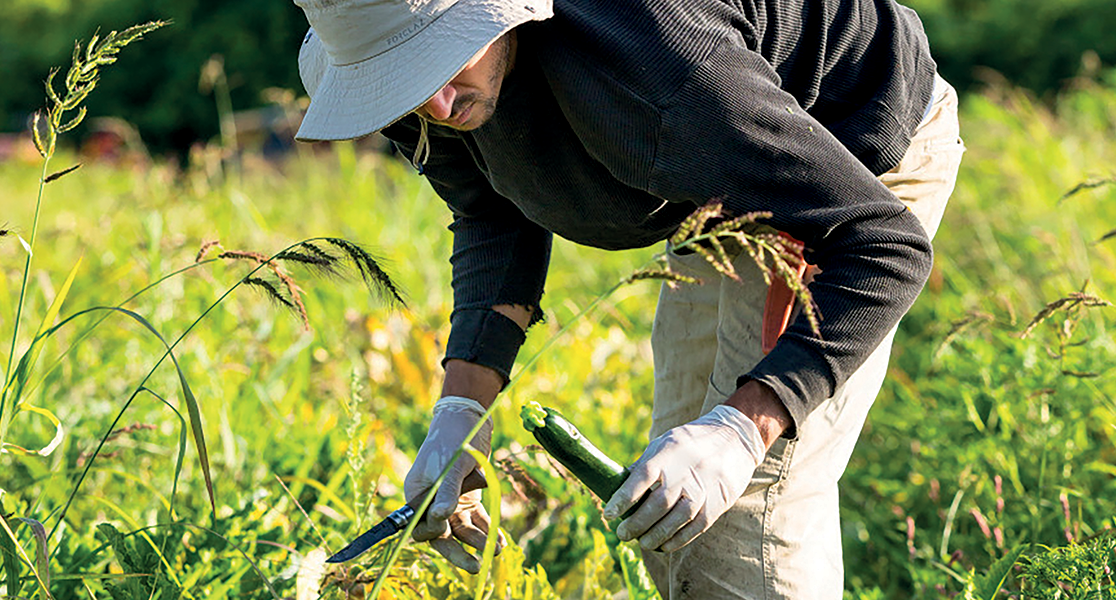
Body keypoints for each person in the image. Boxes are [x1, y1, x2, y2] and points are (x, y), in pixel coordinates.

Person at [292, 0, 963, 596]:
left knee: (742, 515)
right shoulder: (423, 99)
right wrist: (462, 409)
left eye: (440, 64)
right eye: (406, 80)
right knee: (668, 508)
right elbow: (492, 215)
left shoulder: (665, 70)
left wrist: (739, 430)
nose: (437, 106)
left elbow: (882, 244)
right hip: (715, 180)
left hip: (841, 168)